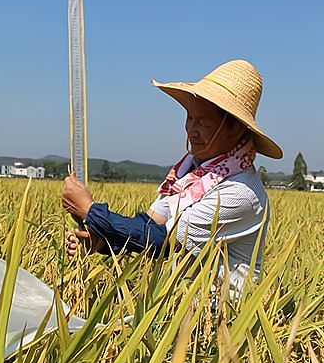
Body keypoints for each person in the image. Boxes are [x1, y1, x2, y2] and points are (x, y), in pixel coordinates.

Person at [62, 60, 283, 294]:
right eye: (190, 118)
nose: (192, 129)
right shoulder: (191, 176)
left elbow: (162, 240)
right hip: (182, 309)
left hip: (223, 319)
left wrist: (91, 211)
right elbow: (149, 224)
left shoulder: (240, 192)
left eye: (203, 122)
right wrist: (101, 241)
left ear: (236, 128)